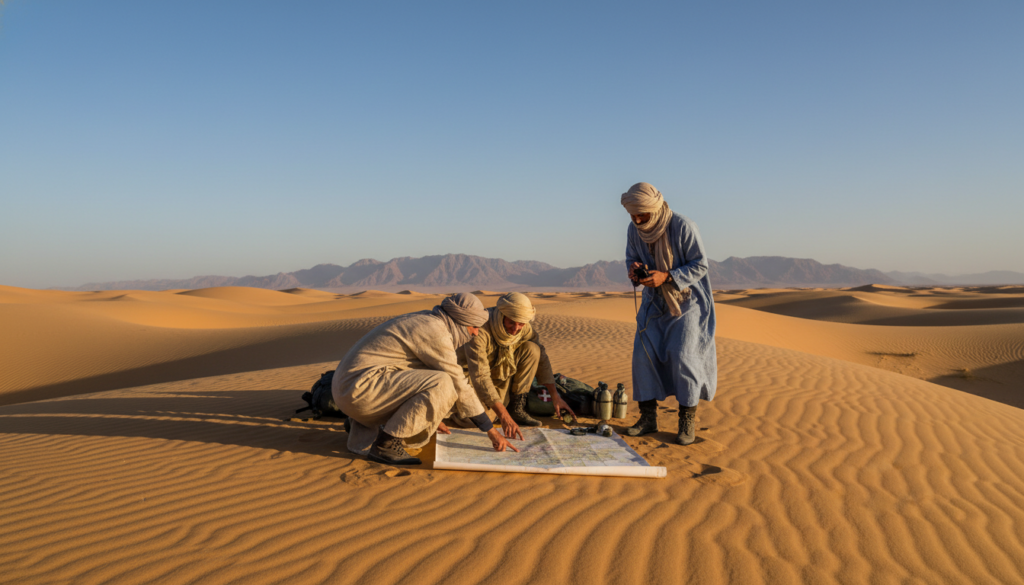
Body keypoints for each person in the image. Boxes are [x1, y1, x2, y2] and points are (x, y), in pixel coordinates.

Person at [331, 292, 519, 465]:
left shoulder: (428, 319)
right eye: (474, 327)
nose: (476, 333)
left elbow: (412, 373)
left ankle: (369, 425)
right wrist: (491, 431)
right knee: (444, 382)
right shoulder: (434, 330)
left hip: (350, 391)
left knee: (438, 381)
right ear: (460, 321)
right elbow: (458, 383)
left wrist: (433, 419)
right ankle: (386, 446)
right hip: (359, 391)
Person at [621, 182, 717, 445]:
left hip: (686, 301)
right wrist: (635, 269)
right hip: (653, 301)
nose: (638, 219)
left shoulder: (683, 226)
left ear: (654, 208)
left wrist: (668, 276)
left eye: (643, 214)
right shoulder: (634, 229)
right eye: (633, 215)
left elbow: (701, 265)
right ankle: (648, 418)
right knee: (643, 354)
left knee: (683, 354)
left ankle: (686, 420)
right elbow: (631, 257)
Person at [458, 292, 575, 438]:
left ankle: (516, 408)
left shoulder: (523, 328)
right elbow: (480, 376)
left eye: (521, 324)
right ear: (502, 315)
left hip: (500, 376)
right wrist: (504, 417)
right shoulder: (480, 330)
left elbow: (542, 357)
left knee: (533, 349)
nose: (515, 329)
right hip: (470, 379)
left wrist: (555, 396)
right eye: (511, 322)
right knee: (477, 420)